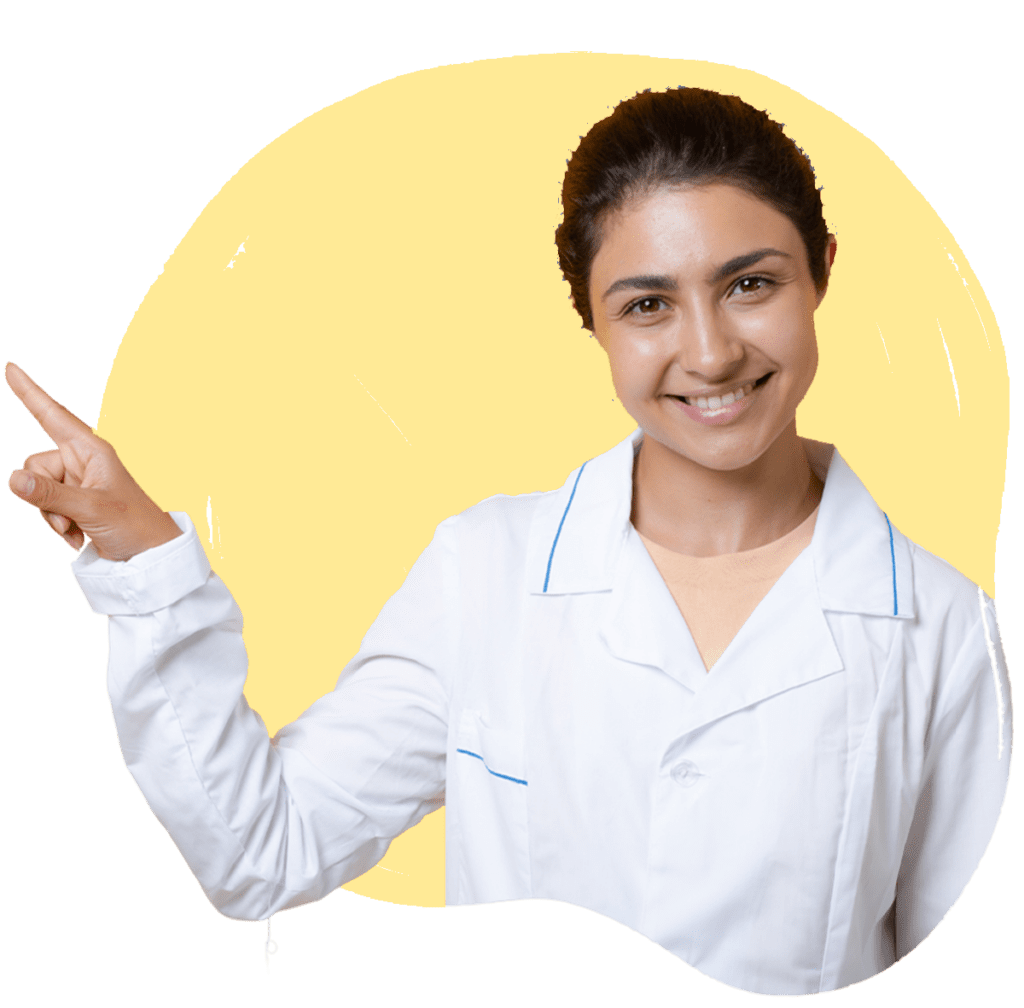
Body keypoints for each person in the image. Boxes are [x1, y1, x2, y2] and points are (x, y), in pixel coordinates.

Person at [5, 87, 1011, 997]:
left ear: (820, 272)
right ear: (594, 322)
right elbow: (260, 854)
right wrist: (146, 565)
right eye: (647, 304)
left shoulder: (938, 627)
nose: (708, 350)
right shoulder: (485, 571)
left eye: (751, 284)